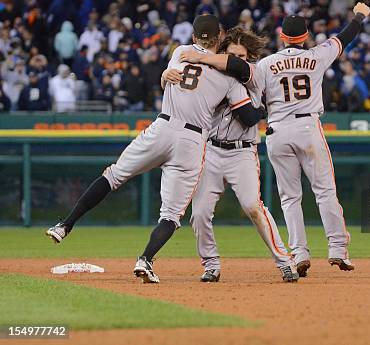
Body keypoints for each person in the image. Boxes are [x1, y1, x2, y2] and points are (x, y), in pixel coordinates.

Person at [45, 15, 269, 284]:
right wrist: (265, 107)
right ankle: (146, 260)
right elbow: (247, 116)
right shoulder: (231, 78)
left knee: (114, 175)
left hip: (163, 126)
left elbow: (170, 77)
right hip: (192, 141)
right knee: (172, 214)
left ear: (195, 37)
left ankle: (65, 225)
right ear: (220, 37)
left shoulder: (181, 52)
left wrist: (164, 76)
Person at [179, 2, 370, 277]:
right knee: (325, 191)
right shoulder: (317, 56)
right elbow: (344, 37)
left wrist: (204, 58)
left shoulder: (266, 65)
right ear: (304, 37)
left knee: (290, 198)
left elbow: (235, 66)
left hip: (277, 130)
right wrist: (359, 16)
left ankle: (300, 252)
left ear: (282, 37)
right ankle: (338, 249)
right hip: (307, 127)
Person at [161, 26, 298, 283]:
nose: (237, 61)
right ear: (222, 53)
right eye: (232, 55)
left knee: (252, 207)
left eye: (242, 57)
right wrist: (165, 74)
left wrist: (259, 110)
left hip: (242, 153)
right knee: (199, 213)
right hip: (211, 149)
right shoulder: (208, 76)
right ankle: (211, 264)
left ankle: (285, 261)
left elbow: (247, 118)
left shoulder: (253, 76)